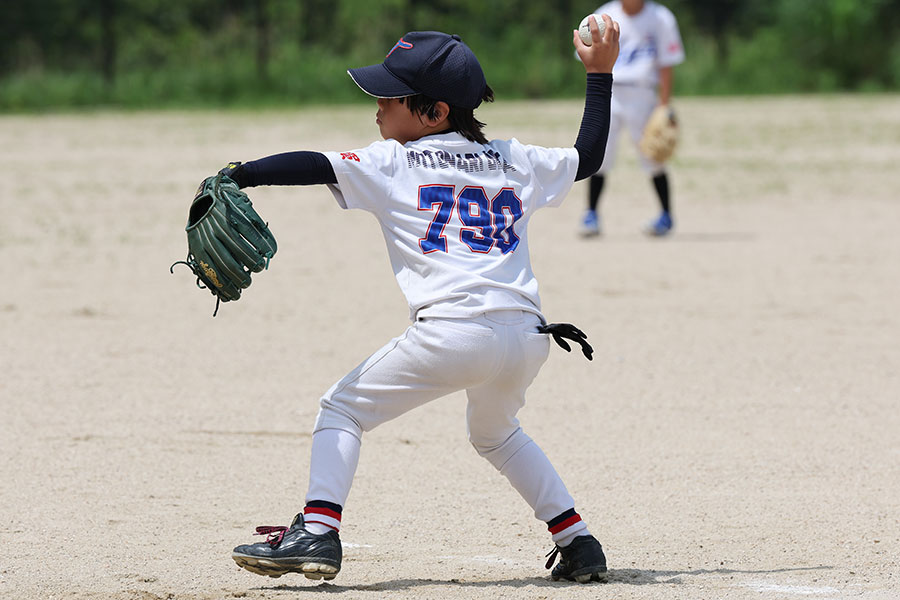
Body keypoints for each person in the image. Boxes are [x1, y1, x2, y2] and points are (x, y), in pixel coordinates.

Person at [220, 17, 619, 584]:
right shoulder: (514, 159)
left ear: (434, 112)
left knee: (342, 409)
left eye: (392, 95)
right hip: (527, 337)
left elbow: (314, 163)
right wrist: (599, 76)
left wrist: (242, 174)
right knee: (497, 432)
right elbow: (590, 155)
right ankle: (577, 542)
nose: (378, 104)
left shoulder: (395, 163)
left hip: (452, 334)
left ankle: (317, 530)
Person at [578, 0, 684, 237]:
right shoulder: (605, 15)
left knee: (653, 155)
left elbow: (667, 63)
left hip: (643, 93)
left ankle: (666, 215)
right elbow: (588, 57)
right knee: (599, 155)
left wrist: (664, 105)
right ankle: (591, 215)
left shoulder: (660, 18)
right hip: (610, 90)